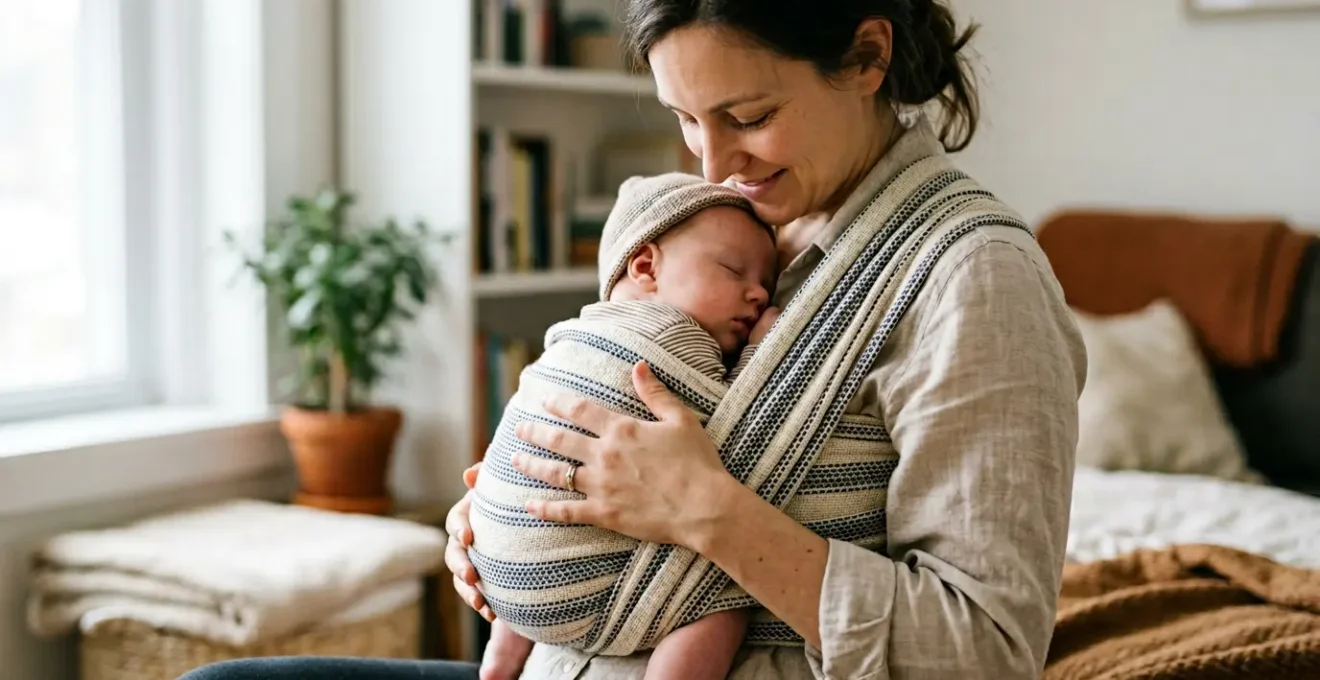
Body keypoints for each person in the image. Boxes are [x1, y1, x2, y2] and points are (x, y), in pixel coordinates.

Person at [178, 0, 1087, 679]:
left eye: (748, 114)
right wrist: (516, 519)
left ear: (865, 55)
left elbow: (986, 651)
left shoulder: (974, 277)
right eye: (686, 118)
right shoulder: (736, 232)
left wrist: (706, 511)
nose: (713, 163)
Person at [474, 172, 780, 680]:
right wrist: (761, 351)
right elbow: (743, 421)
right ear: (645, 267)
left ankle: (501, 657)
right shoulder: (667, 337)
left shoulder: (575, 334)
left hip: (504, 572)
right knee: (728, 598)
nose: (757, 295)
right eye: (733, 270)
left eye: (767, 287)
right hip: (562, 563)